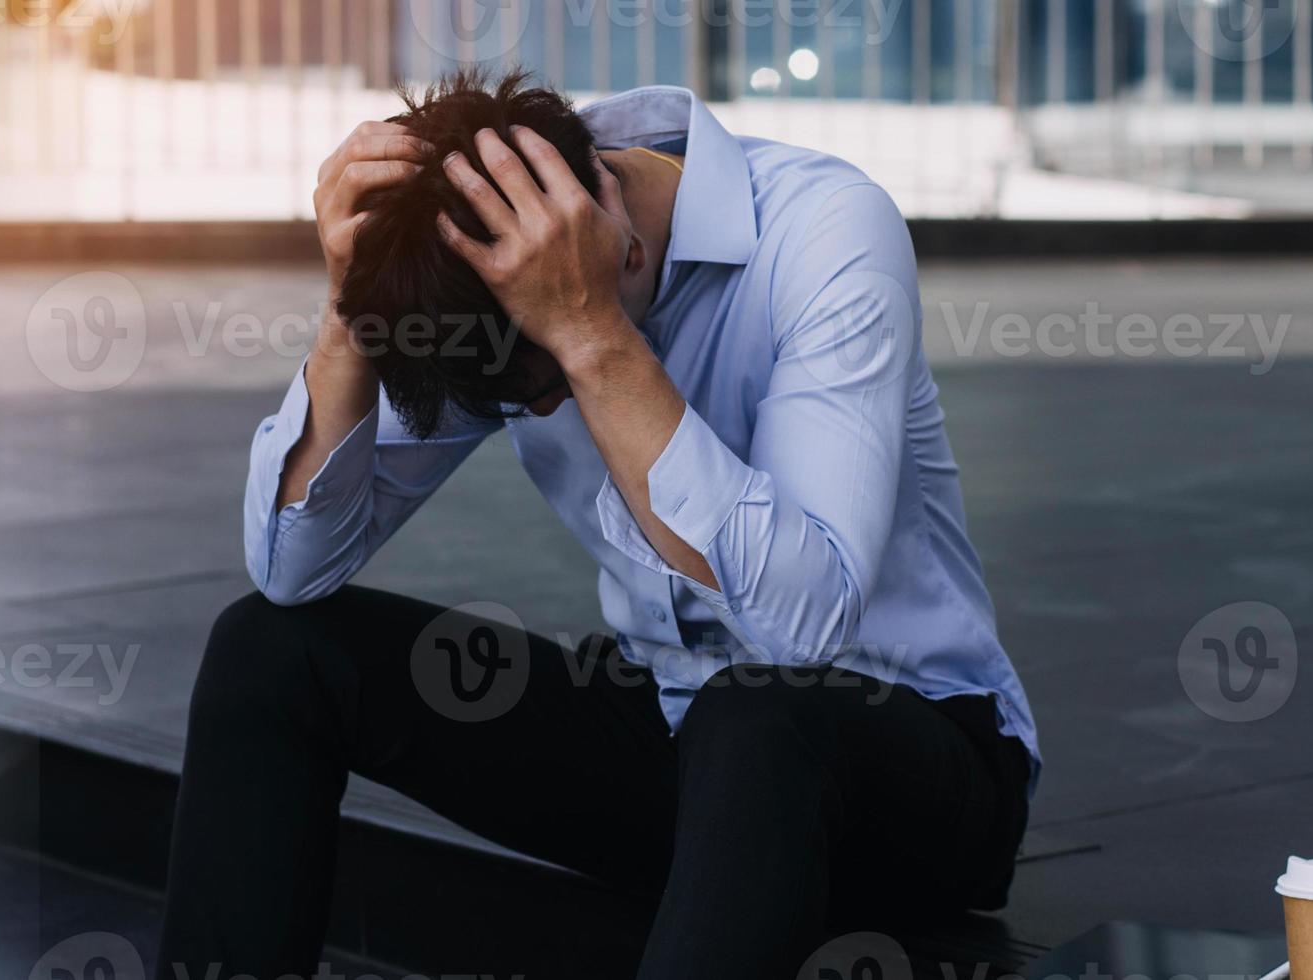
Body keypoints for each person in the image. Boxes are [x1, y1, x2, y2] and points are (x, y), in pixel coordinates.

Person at [156, 70, 1040, 978]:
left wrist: (589, 335)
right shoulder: (497, 251)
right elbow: (291, 567)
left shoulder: (826, 228)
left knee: (758, 715)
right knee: (269, 649)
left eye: (543, 391)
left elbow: (803, 629)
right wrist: (349, 314)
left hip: (917, 761)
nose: (543, 410)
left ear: (616, 240)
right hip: (678, 734)